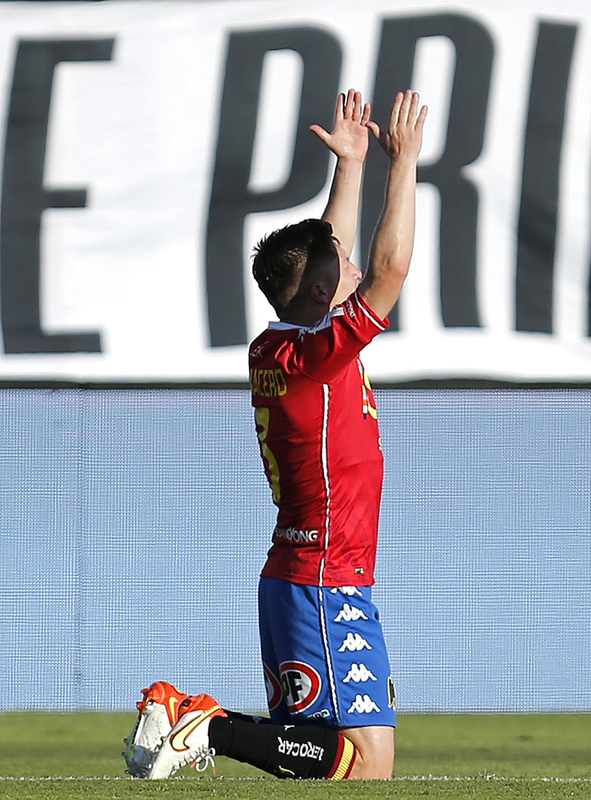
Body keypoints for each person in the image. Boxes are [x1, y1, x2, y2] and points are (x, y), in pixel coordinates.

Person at [123, 87, 426, 780]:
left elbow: (330, 256)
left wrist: (350, 167)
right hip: (326, 578)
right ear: (323, 295)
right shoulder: (320, 356)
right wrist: (402, 162)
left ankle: (200, 722)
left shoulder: (283, 342)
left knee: (340, 760)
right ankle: (203, 723)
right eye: (339, 270)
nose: (351, 267)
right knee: (364, 768)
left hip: (306, 575)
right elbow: (390, 269)